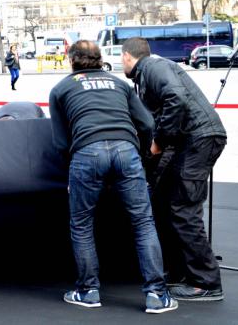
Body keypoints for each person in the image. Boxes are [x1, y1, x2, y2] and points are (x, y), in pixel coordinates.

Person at [48, 40, 177, 314]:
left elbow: (60, 142)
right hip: (126, 151)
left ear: (71, 60)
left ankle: (88, 291)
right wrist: (141, 153)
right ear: (100, 59)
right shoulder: (120, 84)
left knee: (82, 225)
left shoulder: (60, 89)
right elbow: (147, 123)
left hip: (86, 153)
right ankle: (157, 294)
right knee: (143, 223)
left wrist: (74, 171)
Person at [121, 37, 227, 302]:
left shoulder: (153, 67)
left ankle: (206, 282)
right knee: (167, 202)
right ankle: (181, 272)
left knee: (183, 209)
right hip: (190, 141)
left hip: (199, 139)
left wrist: (158, 141)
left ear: (126, 56)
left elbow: (175, 98)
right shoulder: (147, 73)